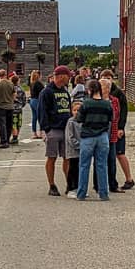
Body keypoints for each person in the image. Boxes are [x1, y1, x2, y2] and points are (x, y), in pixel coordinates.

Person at [74, 79, 112, 201]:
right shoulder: (107, 104)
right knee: (102, 165)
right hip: (102, 136)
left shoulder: (86, 103)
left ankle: (81, 193)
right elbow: (111, 118)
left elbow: (79, 119)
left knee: (84, 165)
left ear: (89, 90)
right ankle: (103, 193)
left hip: (88, 136)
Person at [41, 66, 74, 196]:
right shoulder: (47, 92)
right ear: (61, 76)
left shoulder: (65, 91)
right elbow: (42, 111)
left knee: (67, 157)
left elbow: (69, 108)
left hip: (66, 128)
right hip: (53, 129)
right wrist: (46, 129)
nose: (69, 78)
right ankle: (52, 184)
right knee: (52, 157)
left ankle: (69, 183)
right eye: (68, 76)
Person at [110, 80, 134, 189]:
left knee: (120, 154)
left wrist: (121, 127)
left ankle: (129, 178)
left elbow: (124, 111)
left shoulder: (118, 93)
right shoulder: (100, 92)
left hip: (117, 127)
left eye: (108, 77)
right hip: (107, 129)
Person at [0, 70, 16, 148]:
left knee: (1, 124)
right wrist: (11, 101)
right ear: (5, 75)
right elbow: (14, 94)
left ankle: (3, 141)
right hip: (10, 106)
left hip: (0, 107)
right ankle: (8, 140)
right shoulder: (11, 83)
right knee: (9, 124)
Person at [64, 101, 81, 197]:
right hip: (73, 150)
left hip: (81, 150)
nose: (76, 112)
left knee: (80, 169)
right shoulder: (71, 122)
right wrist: (78, 145)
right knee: (72, 169)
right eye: (74, 110)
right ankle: (71, 188)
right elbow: (69, 137)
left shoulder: (83, 121)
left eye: (78, 110)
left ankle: (79, 187)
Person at [29, 70, 45, 139]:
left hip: (32, 100)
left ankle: (34, 133)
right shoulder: (38, 83)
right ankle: (41, 132)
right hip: (37, 100)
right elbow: (43, 92)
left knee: (34, 117)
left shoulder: (32, 83)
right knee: (40, 116)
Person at [11, 74, 26, 144]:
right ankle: (17, 136)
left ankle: (14, 136)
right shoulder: (21, 89)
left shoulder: (11, 88)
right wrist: (21, 105)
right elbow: (24, 99)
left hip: (12, 107)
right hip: (19, 108)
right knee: (18, 123)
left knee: (13, 123)